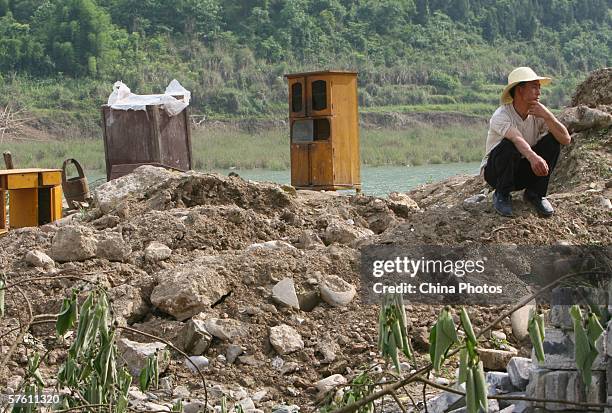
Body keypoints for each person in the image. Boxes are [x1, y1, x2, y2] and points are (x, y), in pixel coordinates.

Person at [481, 67, 571, 217]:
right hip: (496, 172)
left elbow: (566, 139)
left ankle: (535, 194)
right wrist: (533, 157)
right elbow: (516, 138)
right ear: (520, 90)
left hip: (522, 171)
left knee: (553, 141)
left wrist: (548, 116)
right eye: (534, 87)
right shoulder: (501, 115)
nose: (539, 92)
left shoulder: (538, 112)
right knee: (508, 145)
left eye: (539, 88)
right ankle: (502, 194)